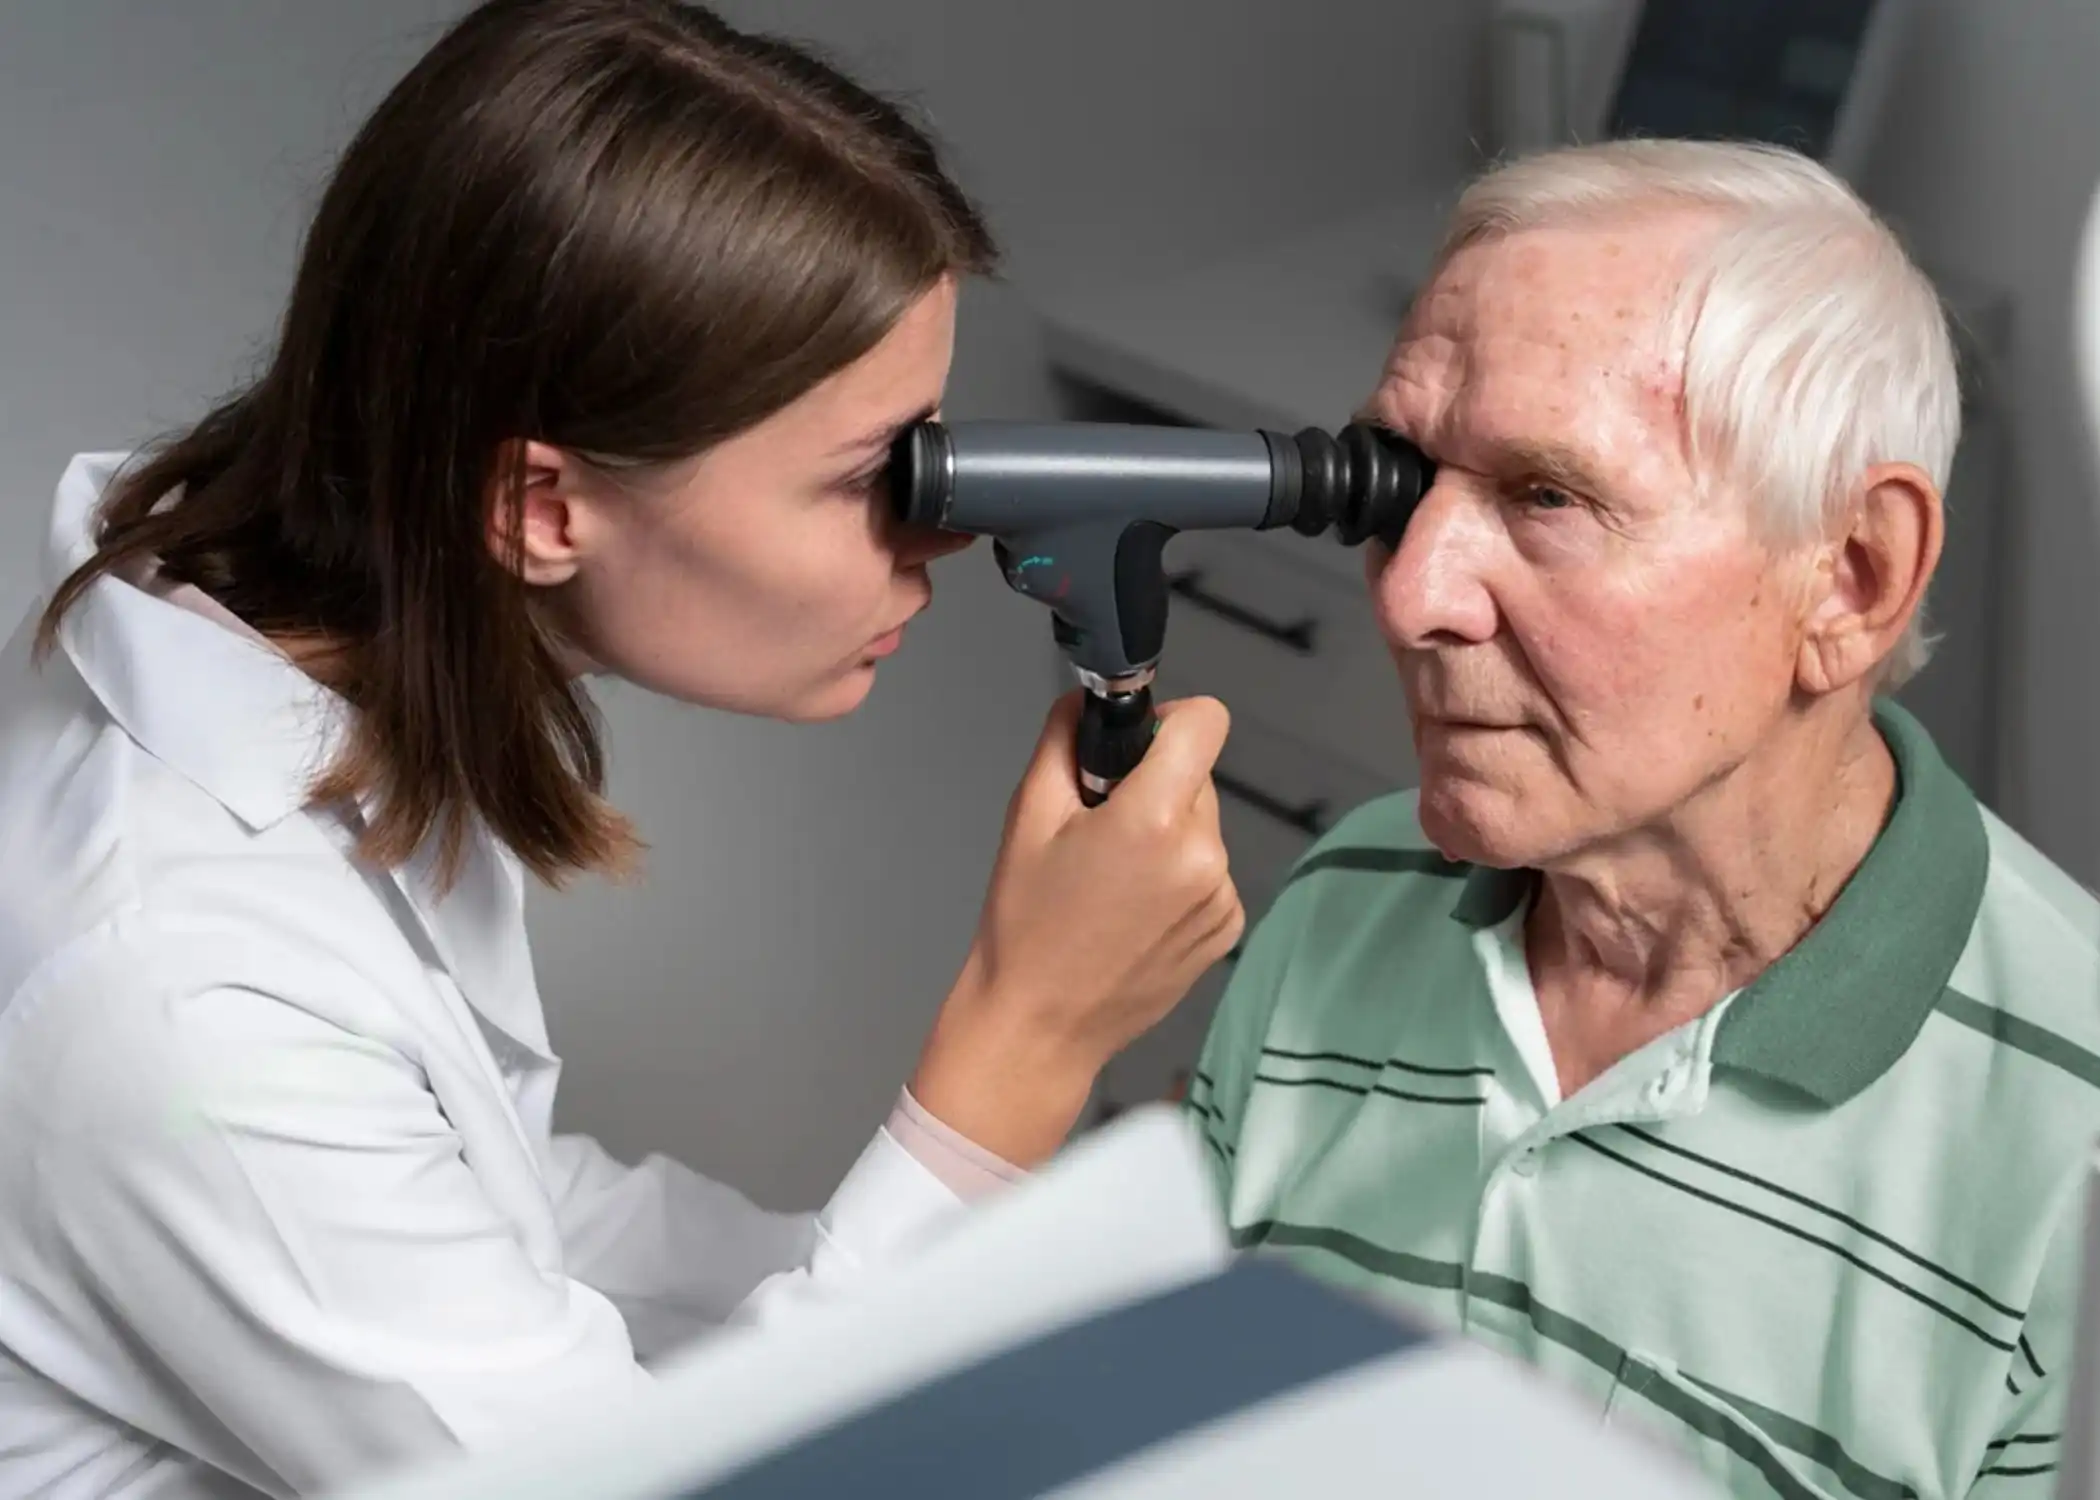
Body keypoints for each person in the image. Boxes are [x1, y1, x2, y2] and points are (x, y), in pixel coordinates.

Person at [0, 2, 1245, 1495]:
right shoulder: (182, 992)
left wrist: (1015, 1267)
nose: (941, 529)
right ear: (540, 509)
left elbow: (491, 1204)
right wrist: (1023, 1043)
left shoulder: (264, 648)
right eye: (872, 472)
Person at [1189, 138, 2100, 1500]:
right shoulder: (1344, 895)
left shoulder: (2070, 1139)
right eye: (1404, 480)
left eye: (1548, 496)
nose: (1412, 595)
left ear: (1853, 578)